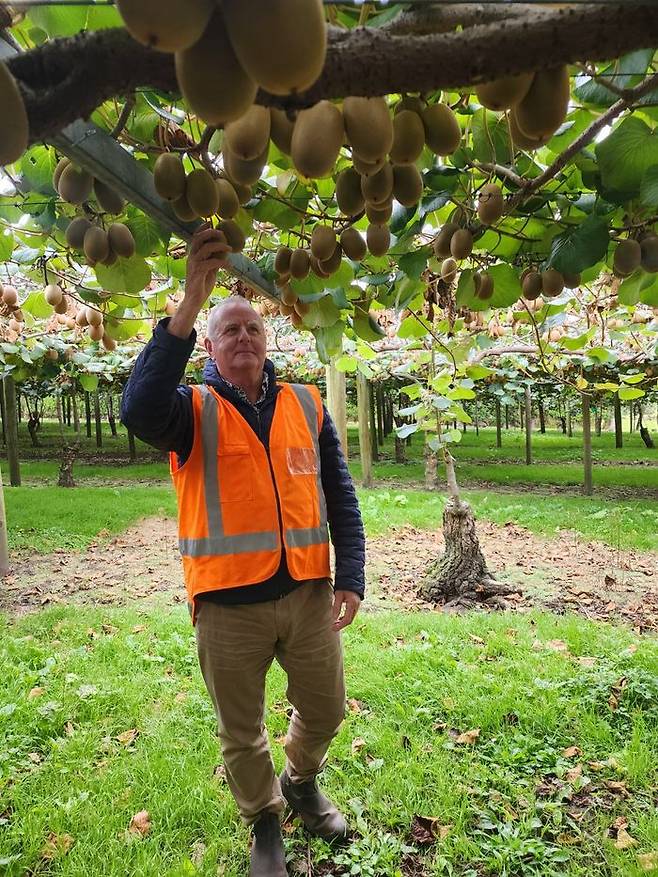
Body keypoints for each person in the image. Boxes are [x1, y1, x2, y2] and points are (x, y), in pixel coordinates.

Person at [121, 226, 366, 877]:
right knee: (240, 730)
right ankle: (265, 821)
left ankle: (302, 778)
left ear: (267, 340)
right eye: (229, 330)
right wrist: (190, 299)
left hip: (309, 594)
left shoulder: (306, 403)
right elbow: (137, 408)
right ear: (209, 343)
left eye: (253, 329)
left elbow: (339, 493)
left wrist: (353, 574)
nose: (244, 338)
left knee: (326, 707)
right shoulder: (188, 410)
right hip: (229, 603)